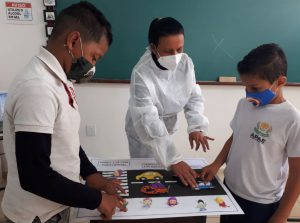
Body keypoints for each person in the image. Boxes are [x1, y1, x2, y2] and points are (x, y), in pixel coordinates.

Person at [2, 2, 126, 222]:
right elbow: (34, 176)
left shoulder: (59, 80)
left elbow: (65, 138)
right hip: (36, 215)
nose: (93, 66)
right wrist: (97, 199)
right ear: (74, 40)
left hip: (56, 207)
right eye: (94, 57)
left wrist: (91, 174)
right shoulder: (37, 87)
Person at [201, 43, 300, 223]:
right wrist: (216, 164)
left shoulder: (292, 119)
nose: (249, 94)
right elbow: (236, 136)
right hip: (230, 190)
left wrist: (282, 215)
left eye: (255, 88)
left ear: (280, 82)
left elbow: (297, 173)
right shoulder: (244, 104)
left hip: (261, 203)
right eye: (245, 87)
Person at [125, 17, 213, 188]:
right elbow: (148, 121)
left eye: (179, 49)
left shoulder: (186, 62)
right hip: (143, 131)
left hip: (165, 125)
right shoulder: (141, 73)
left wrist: (196, 126)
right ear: (153, 47)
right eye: (168, 51)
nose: (175, 56)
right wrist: (174, 159)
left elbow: (193, 95)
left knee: (166, 172)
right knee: (146, 175)